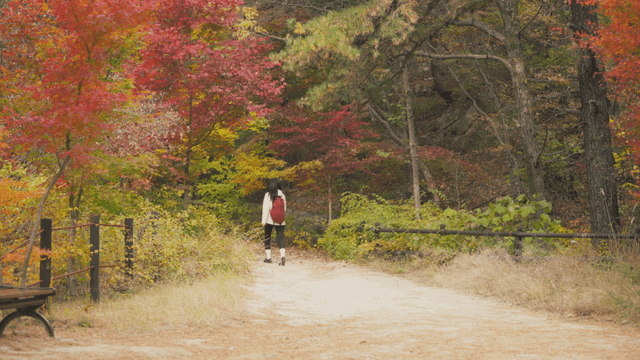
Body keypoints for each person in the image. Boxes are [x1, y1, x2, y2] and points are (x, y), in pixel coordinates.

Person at [262, 178, 287, 265]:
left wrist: (263, 221)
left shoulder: (268, 195)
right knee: (280, 238)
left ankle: (268, 258)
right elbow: (284, 209)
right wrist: (281, 218)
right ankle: (282, 256)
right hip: (280, 221)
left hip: (269, 220)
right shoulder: (282, 195)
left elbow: (265, 209)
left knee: (267, 237)